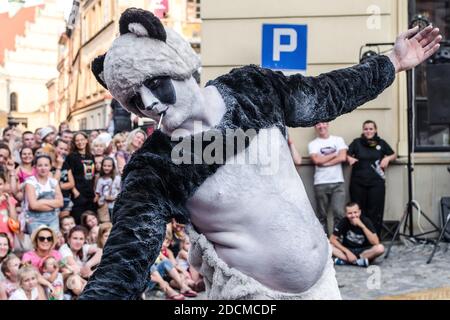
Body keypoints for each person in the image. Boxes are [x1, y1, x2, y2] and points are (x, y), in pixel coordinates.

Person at [81, 8, 442, 300]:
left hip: (323, 286)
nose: (147, 103)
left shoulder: (252, 89)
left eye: (153, 83)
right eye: (132, 98)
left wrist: (393, 61)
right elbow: (125, 259)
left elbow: (327, 93)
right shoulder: (156, 166)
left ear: (178, 65)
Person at [347, 120, 397, 235]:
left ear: (375, 130)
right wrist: (349, 158)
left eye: (371, 129)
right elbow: (346, 153)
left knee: (375, 211)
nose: (368, 131)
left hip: (376, 183)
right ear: (363, 130)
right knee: (358, 211)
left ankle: (375, 238)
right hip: (358, 183)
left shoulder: (381, 143)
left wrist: (387, 158)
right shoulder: (357, 142)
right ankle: (359, 237)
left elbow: (393, 154)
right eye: (366, 129)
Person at [308, 122, 347, 235]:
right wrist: (334, 154)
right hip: (321, 183)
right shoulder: (313, 144)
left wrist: (324, 161)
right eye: (318, 125)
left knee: (339, 213)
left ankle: (337, 239)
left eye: (323, 124)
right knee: (322, 215)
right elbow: (316, 161)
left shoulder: (338, 140)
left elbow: (343, 157)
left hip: (338, 182)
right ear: (315, 127)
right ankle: (324, 240)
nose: (321, 127)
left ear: (328, 125)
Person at [330, 202, 385, 267]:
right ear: (346, 214)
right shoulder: (343, 221)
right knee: (329, 246)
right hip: (348, 249)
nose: (353, 215)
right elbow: (332, 239)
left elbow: (376, 242)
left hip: (363, 251)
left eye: (355, 212)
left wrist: (362, 226)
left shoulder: (366, 221)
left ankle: (347, 261)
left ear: (359, 212)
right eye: (350, 213)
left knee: (380, 248)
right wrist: (347, 252)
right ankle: (358, 262)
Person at [23, 155, 63, 234]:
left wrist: (41, 201)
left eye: (46, 165)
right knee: (38, 242)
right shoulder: (30, 182)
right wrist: (52, 205)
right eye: (40, 165)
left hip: (53, 219)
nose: (43, 168)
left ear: (50, 167)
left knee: (53, 243)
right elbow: (33, 205)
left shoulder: (53, 182)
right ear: (35, 167)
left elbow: (60, 203)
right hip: (35, 220)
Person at [65, 132, 96, 224]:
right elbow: (68, 175)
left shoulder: (91, 156)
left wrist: (94, 192)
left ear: (86, 141)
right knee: (79, 220)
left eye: (82, 140)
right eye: (77, 140)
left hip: (90, 194)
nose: (80, 142)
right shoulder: (71, 157)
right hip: (78, 193)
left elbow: (93, 176)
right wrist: (75, 191)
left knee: (90, 221)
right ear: (74, 143)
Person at [52, 139, 75, 218]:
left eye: (65, 149)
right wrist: (59, 165)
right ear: (55, 147)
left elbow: (72, 183)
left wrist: (59, 186)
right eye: (60, 148)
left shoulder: (65, 163)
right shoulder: (48, 163)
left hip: (66, 198)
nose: (63, 151)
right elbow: (53, 184)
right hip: (53, 199)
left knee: (65, 224)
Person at [94, 157, 121, 222]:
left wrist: (114, 198)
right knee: (105, 223)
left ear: (113, 167)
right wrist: (97, 201)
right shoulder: (100, 180)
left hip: (115, 205)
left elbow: (121, 191)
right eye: (104, 166)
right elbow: (98, 193)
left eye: (109, 166)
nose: (106, 168)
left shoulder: (117, 178)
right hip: (104, 206)